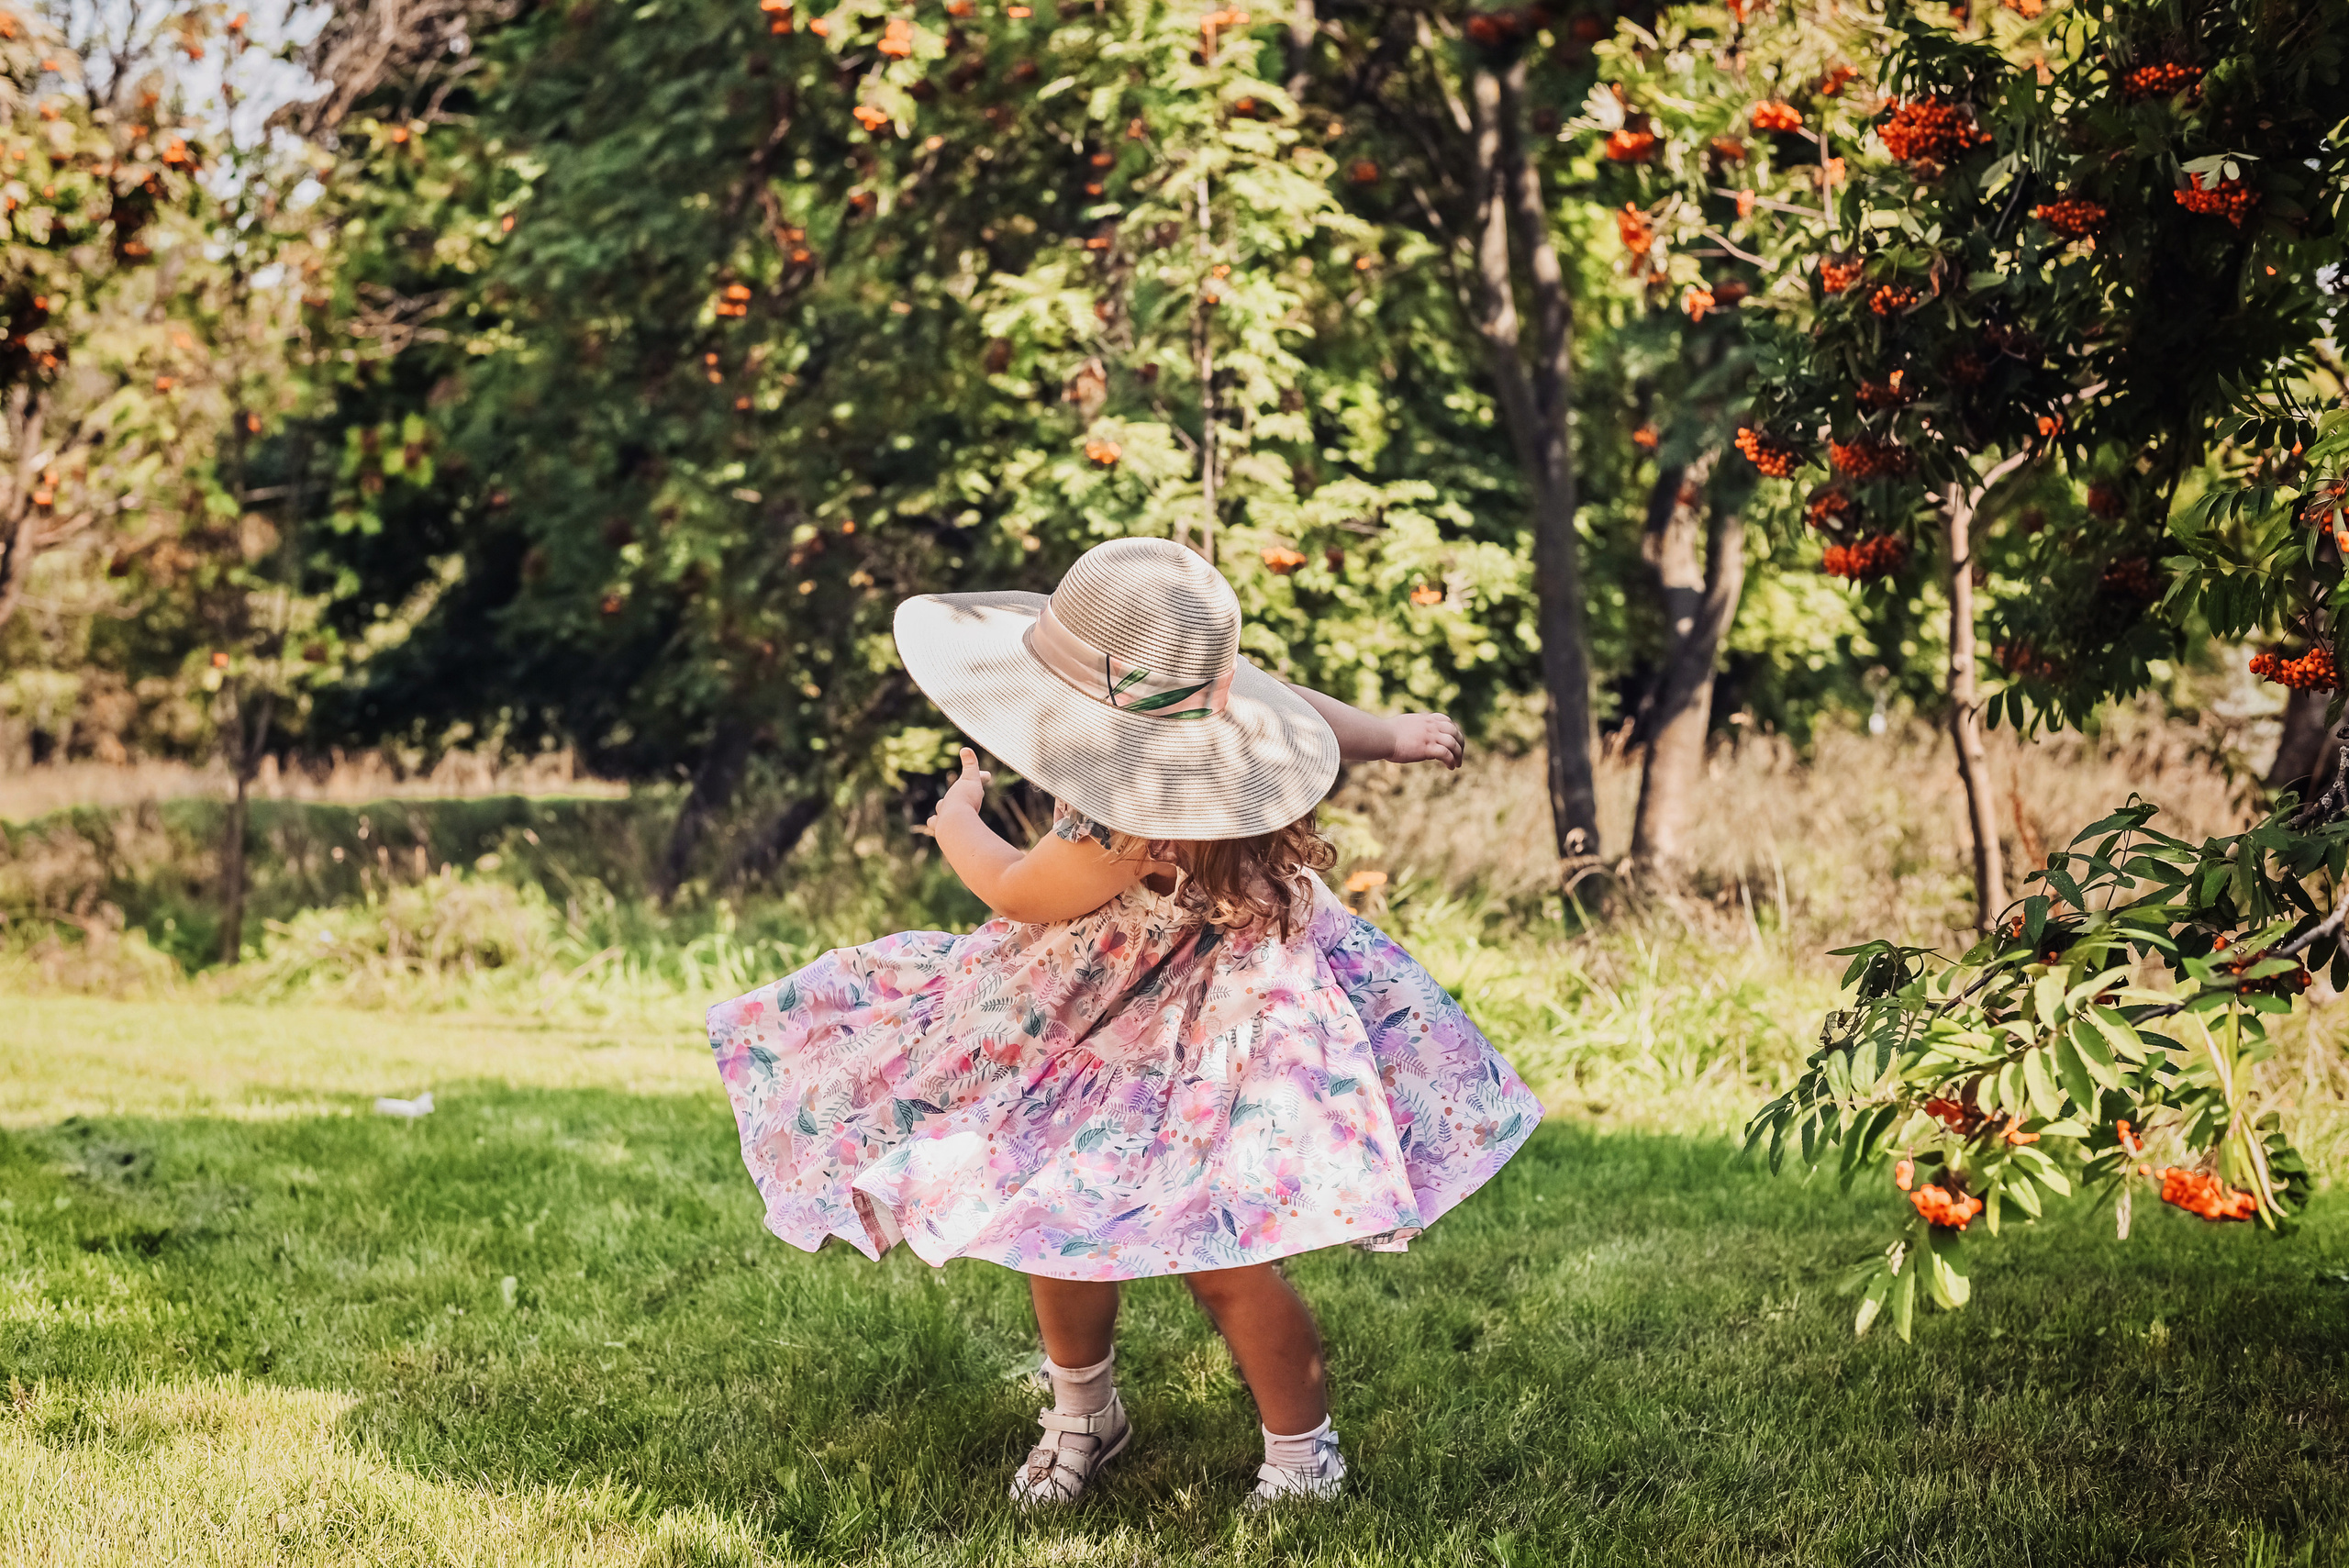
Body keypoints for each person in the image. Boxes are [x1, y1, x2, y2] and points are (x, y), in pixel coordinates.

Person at [707, 537, 1542, 1507]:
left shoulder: (1126, 816)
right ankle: (1125, 1420)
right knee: (1089, 1220)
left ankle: (1283, 1450)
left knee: (1174, 1241)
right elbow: (1283, 705)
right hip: (1224, 1022)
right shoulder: (1226, 745)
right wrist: (1389, 733)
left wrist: (957, 820)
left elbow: (1023, 891)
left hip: (1183, 1031)